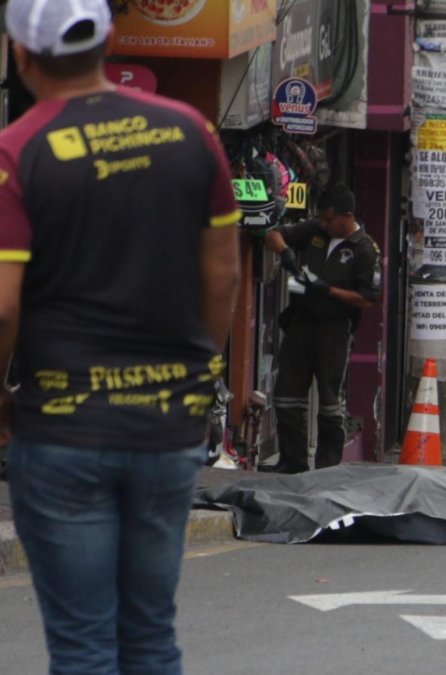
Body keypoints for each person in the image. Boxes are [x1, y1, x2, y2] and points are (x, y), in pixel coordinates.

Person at [0, 0, 242, 669]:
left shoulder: (18, 151)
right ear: (109, 38)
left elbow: (1, 307)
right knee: (150, 635)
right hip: (166, 428)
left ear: (19, 55)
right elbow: (223, 275)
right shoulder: (191, 132)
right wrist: (201, 372)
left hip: (63, 428)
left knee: (83, 645)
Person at [266, 184, 381, 473]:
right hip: (300, 324)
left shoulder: (364, 249)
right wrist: (286, 254)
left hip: (334, 331)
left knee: (330, 405)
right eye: (323, 219)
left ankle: (327, 468)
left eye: (331, 219)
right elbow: (273, 233)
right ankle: (292, 462)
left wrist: (327, 290)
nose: (326, 224)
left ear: (347, 216)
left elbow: (367, 299)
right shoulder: (316, 231)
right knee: (287, 396)